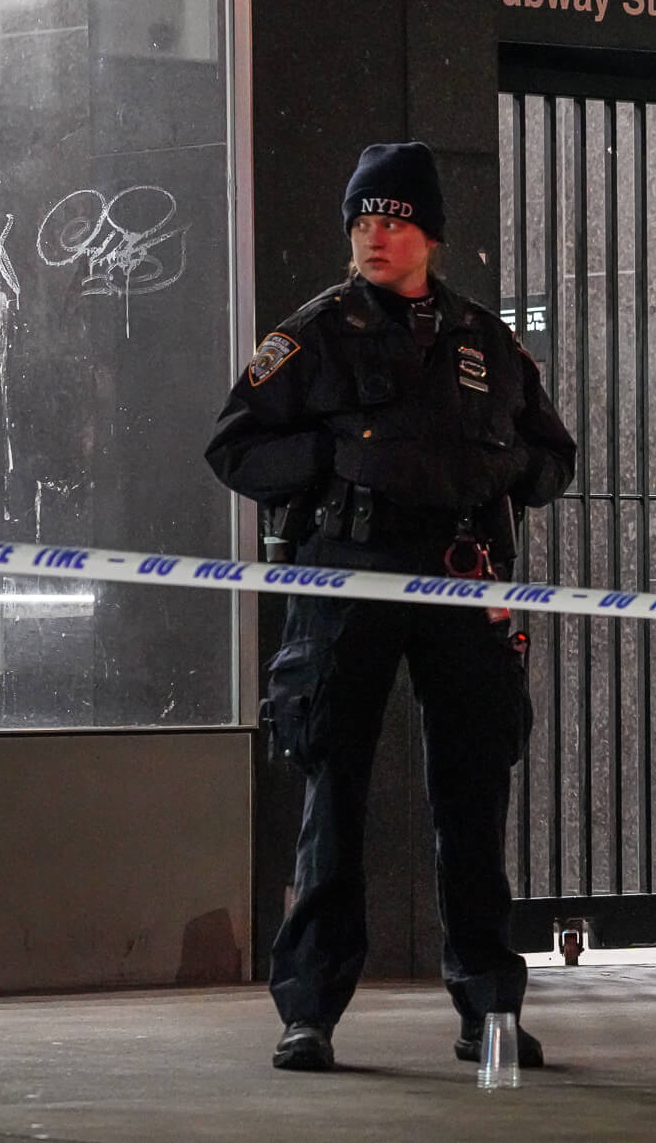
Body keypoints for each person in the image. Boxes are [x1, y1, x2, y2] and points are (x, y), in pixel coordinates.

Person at [206, 141, 577, 1073]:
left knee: (474, 793)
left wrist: (502, 469)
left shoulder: (485, 341)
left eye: (393, 221)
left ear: (430, 235)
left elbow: (553, 458)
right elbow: (235, 446)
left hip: (462, 577)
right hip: (349, 576)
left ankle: (489, 1008)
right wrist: (332, 460)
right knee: (333, 792)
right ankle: (310, 1012)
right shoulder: (315, 334)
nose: (374, 236)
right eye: (362, 221)